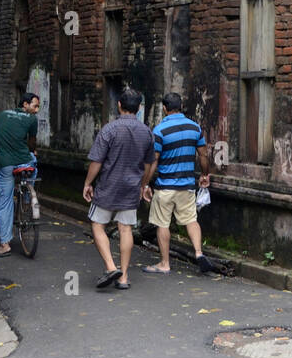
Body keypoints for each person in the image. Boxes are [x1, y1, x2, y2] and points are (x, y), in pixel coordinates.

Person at [83, 88, 155, 290]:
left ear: (119, 105)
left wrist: (88, 183)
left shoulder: (109, 129)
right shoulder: (146, 132)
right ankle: (123, 278)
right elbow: (149, 164)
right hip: (132, 187)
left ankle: (110, 266)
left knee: (97, 225)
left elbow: (97, 161)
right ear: (139, 108)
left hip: (108, 185)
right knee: (126, 229)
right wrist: (143, 185)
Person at [141, 92, 213, 275]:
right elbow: (203, 155)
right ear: (181, 106)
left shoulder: (159, 131)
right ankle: (198, 253)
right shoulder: (195, 127)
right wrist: (205, 174)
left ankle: (165, 263)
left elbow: (153, 161)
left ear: (164, 108)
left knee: (162, 224)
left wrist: (145, 185)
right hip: (187, 185)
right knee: (191, 220)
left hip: (165, 186)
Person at [0, 93, 40, 257]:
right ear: (25, 104)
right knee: (33, 164)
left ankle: (5, 245)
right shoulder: (31, 120)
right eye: (35, 106)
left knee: (4, 202)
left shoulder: (2, 115)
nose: (36, 110)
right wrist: (31, 151)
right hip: (25, 161)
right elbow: (31, 143)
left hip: (6, 164)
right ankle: (27, 199)